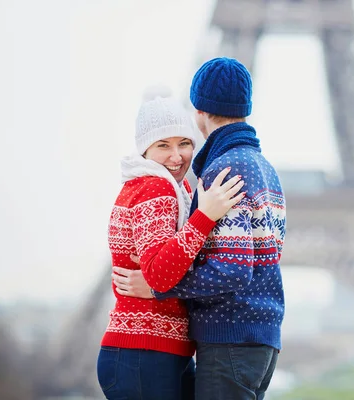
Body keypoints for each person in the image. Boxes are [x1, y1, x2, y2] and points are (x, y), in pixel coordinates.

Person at [112, 57, 287, 400]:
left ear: (199, 111)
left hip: (229, 339)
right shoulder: (264, 168)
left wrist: (159, 288)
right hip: (261, 340)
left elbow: (235, 270)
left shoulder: (224, 168)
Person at [97, 86, 246, 400]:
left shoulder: (162, 188)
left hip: (149, 354)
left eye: (184, 143)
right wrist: (205, 216)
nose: (177, 156)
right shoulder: (157, 189)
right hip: (145, 356)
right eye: (163, 145)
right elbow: (160, 276)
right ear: (145, 149)